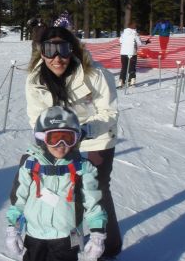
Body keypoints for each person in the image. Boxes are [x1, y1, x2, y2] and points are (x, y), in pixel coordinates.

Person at [25, 26, 122, 258]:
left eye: (64, 50)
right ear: (42, 52)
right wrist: (48, 142)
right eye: (50, 50)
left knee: (96, 191)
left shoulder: (94, 74)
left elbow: (109, 112)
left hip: (94, 140)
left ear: (73, 50)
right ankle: (69, 243)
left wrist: (84, 131)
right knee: (67, 193)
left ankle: (109, 247)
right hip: (59, 143)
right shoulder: (35, 80)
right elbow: (36, 117)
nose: (57, 58)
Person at [6, 106, 108, 261]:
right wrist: (13, 228)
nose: (61, 144)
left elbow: (94, 204)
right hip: (35, 235)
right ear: (42, 138)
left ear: (76, 139)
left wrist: (97, 236)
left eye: (68, 138)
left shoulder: (83, 168)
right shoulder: (30, 164)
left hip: (67, 237)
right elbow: (18, 199)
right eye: (54, 138)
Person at [119, 21, 151, 88]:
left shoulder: (123, 33)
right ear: (132, 26)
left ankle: (121, 83)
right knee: (132, 68)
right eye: (135, 25)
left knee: (124, 68)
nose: (135, 27)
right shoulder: (135, 34)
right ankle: (132, 82)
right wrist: (146, 42)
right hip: (132, 53)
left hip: (123, 53)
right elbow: (139, 43)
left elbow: (120, 41)